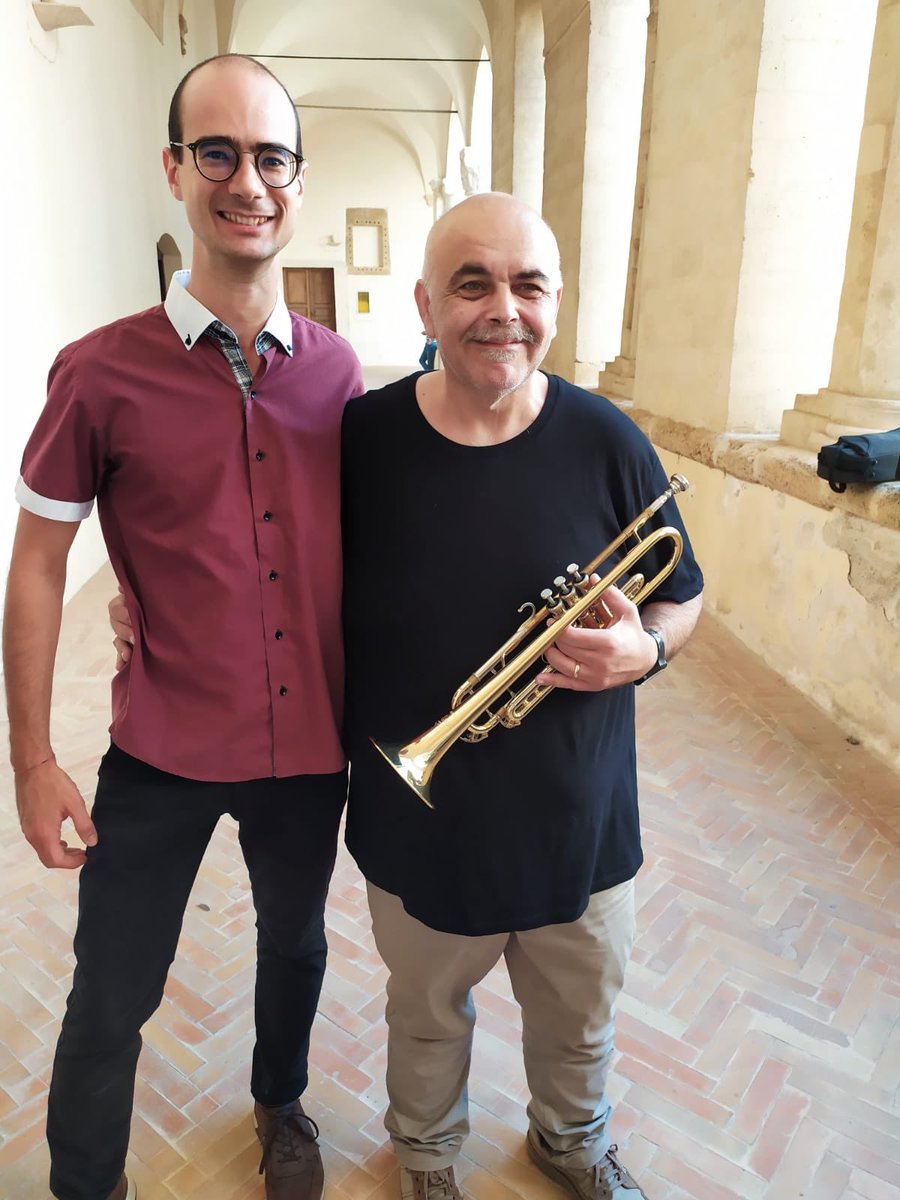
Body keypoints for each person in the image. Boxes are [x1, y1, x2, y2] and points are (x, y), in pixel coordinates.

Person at [4, 54, 362, 1200]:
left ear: (297, 183)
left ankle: (281, 1101)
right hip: (160, 747)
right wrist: (33, 758)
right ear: (175, 169)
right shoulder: (99, 373)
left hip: (309, 748)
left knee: (296, 949)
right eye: (218, 152)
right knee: (111, 986)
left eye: (271, 157)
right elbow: (42, 561)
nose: (245, 180)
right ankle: (85, 1184)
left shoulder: (343, 376)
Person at [340, 193, 704, 1200]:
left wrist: (647, 652)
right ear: (425, 303)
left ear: (554, 303)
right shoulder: (359, 441)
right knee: (423, 1015)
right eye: (473, 283)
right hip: (421, 820)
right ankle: (425, 1158)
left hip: (578, 819)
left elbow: (683, 593)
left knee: (581, 1018)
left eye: (528, 284)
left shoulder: (606, 438)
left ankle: (573, 1143)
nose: (504, 308)